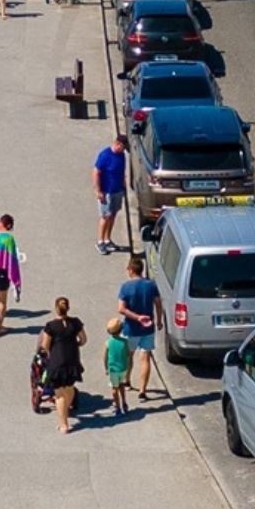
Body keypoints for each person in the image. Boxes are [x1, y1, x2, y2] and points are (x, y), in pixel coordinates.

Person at [37, 296, 87, 432]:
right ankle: (66, 409)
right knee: (69, 388)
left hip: (57, 361)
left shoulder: (51, 326)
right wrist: (75, 344)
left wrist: (49, 353)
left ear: (56, 309)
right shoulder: (75, 323)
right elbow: (83, 339)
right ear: (68, 308)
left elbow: (45, 346)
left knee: (59, 394)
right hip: (72, 360)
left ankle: (64, 424)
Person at [115, 253, 161, 399]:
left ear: (130, 270)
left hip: (131, 328)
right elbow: (158, 304)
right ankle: (143, 390)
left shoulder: (126, 287)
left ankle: (127, 381)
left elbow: (121, 309)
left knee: (129, 356)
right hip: (148, 328)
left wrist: (136, 317)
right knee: (145, 358)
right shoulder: (151, 285)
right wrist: (159, 320)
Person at [92, 134, 129, 253]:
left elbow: (122, 170)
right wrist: (98, 190)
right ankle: (100, 241)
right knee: (105, 216)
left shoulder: (121, 155)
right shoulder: (105, 155)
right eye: (122, 147)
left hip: (117, 190)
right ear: (117, 144)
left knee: (113, 215)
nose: (123, 150)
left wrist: (123, 184)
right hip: (106, 192)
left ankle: (108, 240)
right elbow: (96, 172)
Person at [105, 316, 131, 414]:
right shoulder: (125, 341)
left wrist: (106, 368)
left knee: (114, 388)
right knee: (121, 386)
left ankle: (118, 407)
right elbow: (128, 354)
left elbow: (105, 357)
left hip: (113, 369)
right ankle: (124, 402)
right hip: (123, 368)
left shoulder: (108, 343)